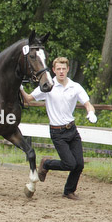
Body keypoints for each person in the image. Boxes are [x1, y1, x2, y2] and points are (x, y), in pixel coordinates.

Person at [20, 57, 97, 200]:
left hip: (71, 130)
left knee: (79, 164)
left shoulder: (75, 87)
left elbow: (87, 103)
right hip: (57, 132)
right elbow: (29, 99)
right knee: (70, 163)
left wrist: (90, 112)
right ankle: (46, 164)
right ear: (54, 70)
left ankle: (69, 191)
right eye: (58, 69)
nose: (61, 71)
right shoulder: (48, 86)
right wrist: (21, 89)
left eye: (63, 69)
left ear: (68, 69)